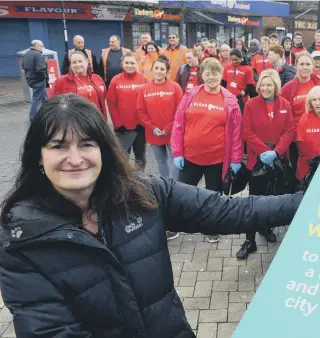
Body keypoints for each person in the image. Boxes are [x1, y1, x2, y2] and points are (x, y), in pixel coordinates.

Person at [0, 93, 302, 338]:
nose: (75, 158)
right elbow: (51, 331)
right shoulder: (22, 240)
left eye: (87, 144)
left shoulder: (144, 194)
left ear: (104, 151)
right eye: (58, 146)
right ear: (39, 158)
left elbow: (233, 210)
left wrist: (312, 201)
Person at [171, 58, 244, 243]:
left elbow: (236, 133)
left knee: (214, 197)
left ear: (221, 75)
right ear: (202, 75)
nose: (211, 77)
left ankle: (213, 227)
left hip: (217, 160)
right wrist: (177, 152)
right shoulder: (191, 95)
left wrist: (236, 159)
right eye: (208, 73)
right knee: (181, 194)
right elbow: (179, 123)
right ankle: (174, 225)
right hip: (190, 157)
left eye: (215, 73)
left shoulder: (229, 100)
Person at [239, 69, 296, 259]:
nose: (265, 88)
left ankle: (265, 227)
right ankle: (249, 240)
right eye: (262, 84)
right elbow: (247, 131)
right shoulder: (251, 105)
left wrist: (276, 152)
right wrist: (264, 151)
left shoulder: (284, 104)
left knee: (272, 198)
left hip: (277, 161)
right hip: (257, 161)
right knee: (254, 201)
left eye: (269, 84)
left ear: (276, 86)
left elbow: (290, 131)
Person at [281, 52, 320, 174]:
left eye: (308, 64)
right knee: (301, 173)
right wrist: (294, 134)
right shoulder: (287, 89)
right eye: (301, 64)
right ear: (296, 66)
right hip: (298, 140)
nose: (305, 67)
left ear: (313, 66)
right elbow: (283, 115)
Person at [137, 55, 183, 179]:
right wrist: (152, 127)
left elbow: (180, 111)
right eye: (156, 68)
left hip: (172, 132)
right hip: (154, 133)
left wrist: (168, 128)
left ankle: (176, 186)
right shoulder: (144, 89)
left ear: (167, 71)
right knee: (161, 162)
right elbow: (141, 111)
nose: (159, 71)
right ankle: (166, 185)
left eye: (162, 69)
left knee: (176, 162)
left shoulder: (175, 87)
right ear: (152, 69)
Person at [106, 51, 148, 169]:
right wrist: (118, 124)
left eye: (132, 63)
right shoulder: (116, 80)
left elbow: (148, 103)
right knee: (123, 157)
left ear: (137, 63)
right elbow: (111, 103)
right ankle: (125, 182)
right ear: (122, 64)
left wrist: (145, 123)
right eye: (127, 63)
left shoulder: (144, 79)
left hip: (140, 127)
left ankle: (141, 180)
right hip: (123, 128)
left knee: (140, 156)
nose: (130, 65)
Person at [51, 51, 107, 116]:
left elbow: (103, 99)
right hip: (75, 122)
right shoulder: (61, 81)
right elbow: (53, 104)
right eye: (74, 62)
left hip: (97, 119)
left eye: (80, 61)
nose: (77, 65)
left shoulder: (97, 78)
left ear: (87, 62)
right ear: (70, 65)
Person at [22, 40, 48, 121]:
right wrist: (44, 78)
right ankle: (32, 116)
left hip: (30, 80)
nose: (43, 48)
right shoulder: (38, 55)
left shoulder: (26, 54)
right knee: (36, 98)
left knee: (44, 97)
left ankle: (48, 112)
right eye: (42, 46)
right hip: (38, 80)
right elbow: (41, 69)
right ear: (37, 46)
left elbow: (23, 66)